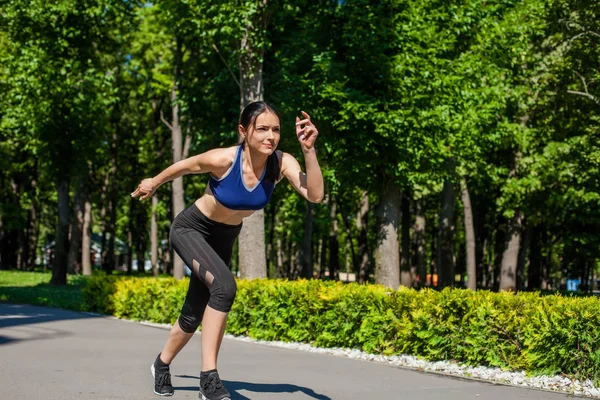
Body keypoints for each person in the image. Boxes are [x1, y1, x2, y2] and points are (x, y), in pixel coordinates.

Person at [131, 101, 324, 400]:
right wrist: (153, 182)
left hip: (224, 237)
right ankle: (209, 378)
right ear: (243, 131)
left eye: (275, 130)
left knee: (193, 313)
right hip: (192, 230)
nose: (270, 136)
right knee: (224, 287)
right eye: (261, 129)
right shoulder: (223, 159)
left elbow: (314, 194)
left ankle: (161, 364)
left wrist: (309, 151)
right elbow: (183, 167)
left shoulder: (280, 163)